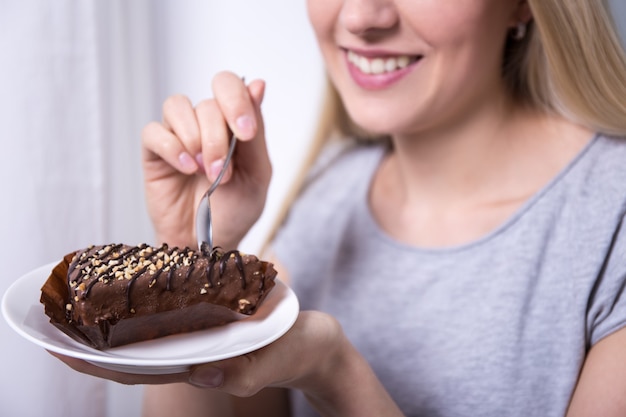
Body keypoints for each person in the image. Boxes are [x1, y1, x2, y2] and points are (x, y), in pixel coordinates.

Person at [53, 0, 626, 416]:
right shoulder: (329, 201)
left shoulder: (611, 218)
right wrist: (193, 264)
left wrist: (335, 374)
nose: (360, 17)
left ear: (523, 6)